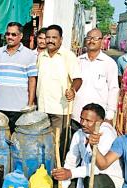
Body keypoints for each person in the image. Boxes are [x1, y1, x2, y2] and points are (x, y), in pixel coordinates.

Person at [52, 103, 123, 188]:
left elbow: (98, 168)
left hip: (106, 180)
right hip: (84, 177)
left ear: (99, 122)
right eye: (81, 119)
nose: (83, 123)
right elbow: (71, 162)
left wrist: (70, 173)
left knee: (93, 182)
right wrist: (64, 187)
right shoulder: (79, 134)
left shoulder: (107, 134)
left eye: (88, 121)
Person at [36, 24, 82, 157]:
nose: (50, 40)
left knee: (59, 145)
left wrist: (73, 90)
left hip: (60, 110)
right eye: (48, 37)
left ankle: (58, 174)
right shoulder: (41, 55)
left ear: (61, 39)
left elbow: (78, 78)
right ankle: (44, 172)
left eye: (54, 37)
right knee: (43, 143)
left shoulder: (68, 56)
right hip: (42, 109)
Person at [0, 22, 37, 132]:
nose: (10, 37)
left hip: (20, 107)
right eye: (8, 34)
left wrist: (29, 104)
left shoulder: (30, 55)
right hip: (0, 106)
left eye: (14, 34)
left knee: (17, 138)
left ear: (21, 36)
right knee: (0, 138)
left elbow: (32, 80)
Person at [73, 28, 119, 127]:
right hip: (77, 115)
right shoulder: (78, 61)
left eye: (95, 38)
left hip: (97, 118)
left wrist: (110, 115)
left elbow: (113, 89)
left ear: (102, 41)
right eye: (89, 38)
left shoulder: (109, 63)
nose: (91, 41)